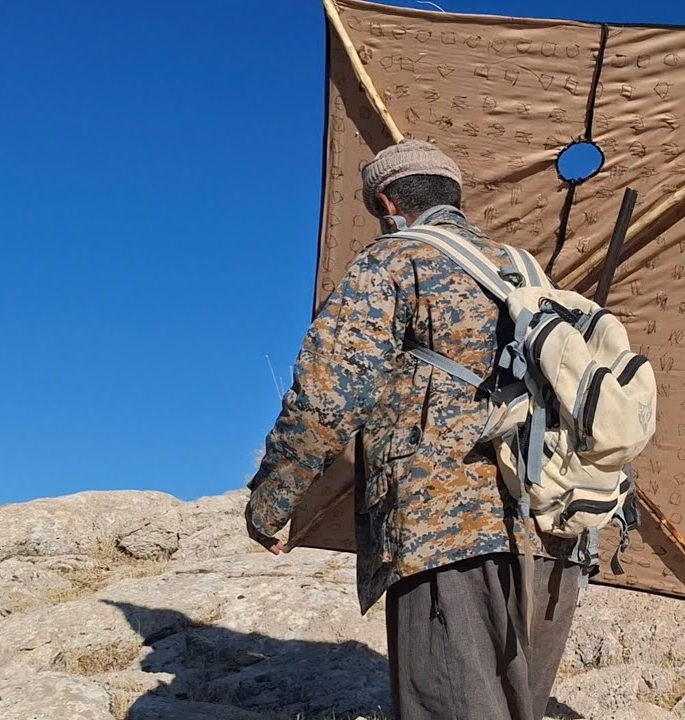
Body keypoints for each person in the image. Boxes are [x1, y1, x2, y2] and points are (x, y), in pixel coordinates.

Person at [245, 140, 587, 720]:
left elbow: (328, 394)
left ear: (387, 204)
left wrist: (271, 502)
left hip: (445, 530)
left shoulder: (393, 261)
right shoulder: (526, 271)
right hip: (554, 530)